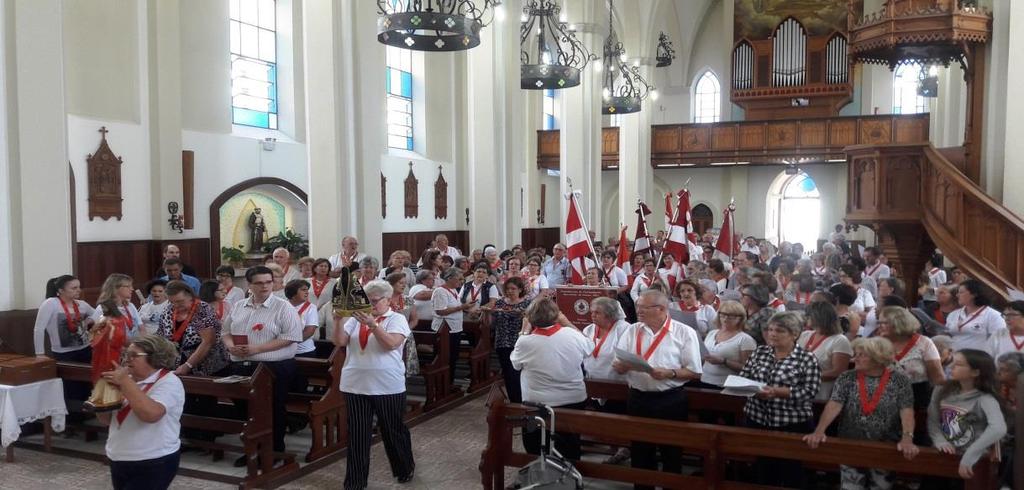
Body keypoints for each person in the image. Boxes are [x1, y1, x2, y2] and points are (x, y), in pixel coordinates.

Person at [613, 290, 702, 489]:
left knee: (671, 450)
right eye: (638, 307)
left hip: (670, 400)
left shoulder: (683, 332)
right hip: (638, 397)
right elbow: (617, 362)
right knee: (640, 450)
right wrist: (621, 366)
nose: (639, 311)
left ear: (661, 309)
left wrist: (670, 373)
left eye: (643, 307)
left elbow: (694, 371)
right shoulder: (632, 330)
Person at [803, 337, 918, 489]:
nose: (854, 358)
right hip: (851, 443)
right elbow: (834, 405)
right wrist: (819, 431)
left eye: (861, 355)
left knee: (881, 487)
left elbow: (907, 410)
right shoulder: (847, 377)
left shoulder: (899, 380)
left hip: (885, 446)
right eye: (855, 354)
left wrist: (907, 438)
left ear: (878, 357)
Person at [335, 280, 416, 487]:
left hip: (387, 385)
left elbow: (391, 344)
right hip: (355, 383)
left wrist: (373, 324)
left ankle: (404, 468)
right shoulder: (355, 320)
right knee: (358, 434)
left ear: (388, 300)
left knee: (392, 430)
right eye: (366, 301)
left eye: (375, 301)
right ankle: (355, 482)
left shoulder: (396, 319)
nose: (370, 305)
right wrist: (337, 320)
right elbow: (340, 342)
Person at [221, 266, 303, 466]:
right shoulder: (239, 306)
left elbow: (292, 337)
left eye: (268, 281)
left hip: (273, 366)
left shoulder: (283, 307)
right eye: (259, 283)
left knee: (272, 409)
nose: (265, 286)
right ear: (249, 285)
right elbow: (225, 332)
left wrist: (257, 349)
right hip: (242, 364)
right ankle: (253, 448)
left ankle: (274, 450)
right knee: (247, 410)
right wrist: (231, 347)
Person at [738, 311, 821, 488]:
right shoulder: (760, 352)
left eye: (780, 331)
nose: (772, 334)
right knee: (762, 469)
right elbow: (744, 377)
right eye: (770, 329)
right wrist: (755, 390)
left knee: (791, 471)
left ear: (794, 334)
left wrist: (779, 392)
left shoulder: (806, 358)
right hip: (757, 419)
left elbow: (810, 392)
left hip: (791, 423)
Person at [95, 335, 185, 490]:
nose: (126, 359)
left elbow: (151, 415)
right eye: (125, 355)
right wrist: (102, 398)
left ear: (155, 357)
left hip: (154, 460)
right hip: (119, 457)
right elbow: (106, 420)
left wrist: (124, 383)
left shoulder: (169, 382)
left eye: (133, 356)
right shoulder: (127, 379)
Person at [512, 298, 593, 460]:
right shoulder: (572, 335)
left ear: (531, 318)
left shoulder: (525, 341)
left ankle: (537, 467)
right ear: (556, 316)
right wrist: (567, 323)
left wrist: (524, 330)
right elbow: (589, 347)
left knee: (534, 441)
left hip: (537, 403)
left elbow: (516, 365)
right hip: (572, 400)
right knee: (569, 441)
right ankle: (570, 472)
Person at [928, 349, 1008, 480]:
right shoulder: (941, 390)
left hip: (974, 459)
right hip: (943, 453)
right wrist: (940, 441)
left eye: (958, 364)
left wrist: (970, 455)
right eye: (952, 361)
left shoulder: (985, 398)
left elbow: (998, 428)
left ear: (975, 372)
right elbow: (933, 420)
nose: (951, 366)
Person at [157, 280, 230, 377]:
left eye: (180, 301)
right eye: (172, 301)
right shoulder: (168, 310)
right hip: (176, 367)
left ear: (190, 296)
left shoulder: (201, 310)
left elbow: (207, 342)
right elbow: (161, 336)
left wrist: (188, 365)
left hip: (206, 368)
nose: (176, 305)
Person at [487, 277, 531, 403]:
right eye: (508, 289)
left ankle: (523, 399)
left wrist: (523, 315)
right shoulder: (500, 303)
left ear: (520, 290)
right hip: (502, 341)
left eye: (513, 289)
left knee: (518, 372)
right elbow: (492, 323)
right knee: (507, 372)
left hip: (519, 342)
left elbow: (531, 321)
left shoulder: (527, 303)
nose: (510, 291)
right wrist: (487, 313)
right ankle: (513, 400)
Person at [797, 301, 852, 401]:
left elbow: (838, 372)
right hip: (800, 394)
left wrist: (806, 376)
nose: (806, 317)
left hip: (822, 397)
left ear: (819, 317)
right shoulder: (805, 335)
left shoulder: (840, 340)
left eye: (809, 315)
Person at [700, 300, 755, 388]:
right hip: (704, 380)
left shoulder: (745, 339)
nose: (725, 319)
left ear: (740, 318)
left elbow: (748, 369)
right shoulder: (712, 333)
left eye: (731, 316)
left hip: (727, 385)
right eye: (723, 315)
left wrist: (724, 361)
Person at [431, 267, 473, 384]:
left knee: (453, 357)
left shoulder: (454, 290)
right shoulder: (440, 291)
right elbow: (440, 311)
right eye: (459, 279)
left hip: (455, 328)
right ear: (449, 278)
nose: (461, 281)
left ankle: (449, 383)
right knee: (445, 358)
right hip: (444, 329)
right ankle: (441, 383)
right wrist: (462, 307)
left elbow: (456, 307)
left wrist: (467, 309)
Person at [945, 279, 1006, 354]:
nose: (957, 295)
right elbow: (947, 335)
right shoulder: (953, 314)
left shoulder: (993, 315)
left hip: (978, 360)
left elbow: (999, 341)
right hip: (954, 359)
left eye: (961, 292)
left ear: (974, 294)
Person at [582, 297, 630, 384]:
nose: (593, 315)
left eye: (597, 312)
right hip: (590, 381)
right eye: (592, 312)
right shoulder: (588, 329)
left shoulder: (624, 329)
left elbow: (624, 357)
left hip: (616, 384)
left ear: (609, 314)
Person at [285, 279, 320, 358]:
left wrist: (285, 343)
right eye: (303, 290)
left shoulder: (311, 307)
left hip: (304, 352)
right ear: (292, 293)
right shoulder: (282, 306)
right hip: (283, 351)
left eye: (307, 290)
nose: (307, 292)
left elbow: (309, 331)